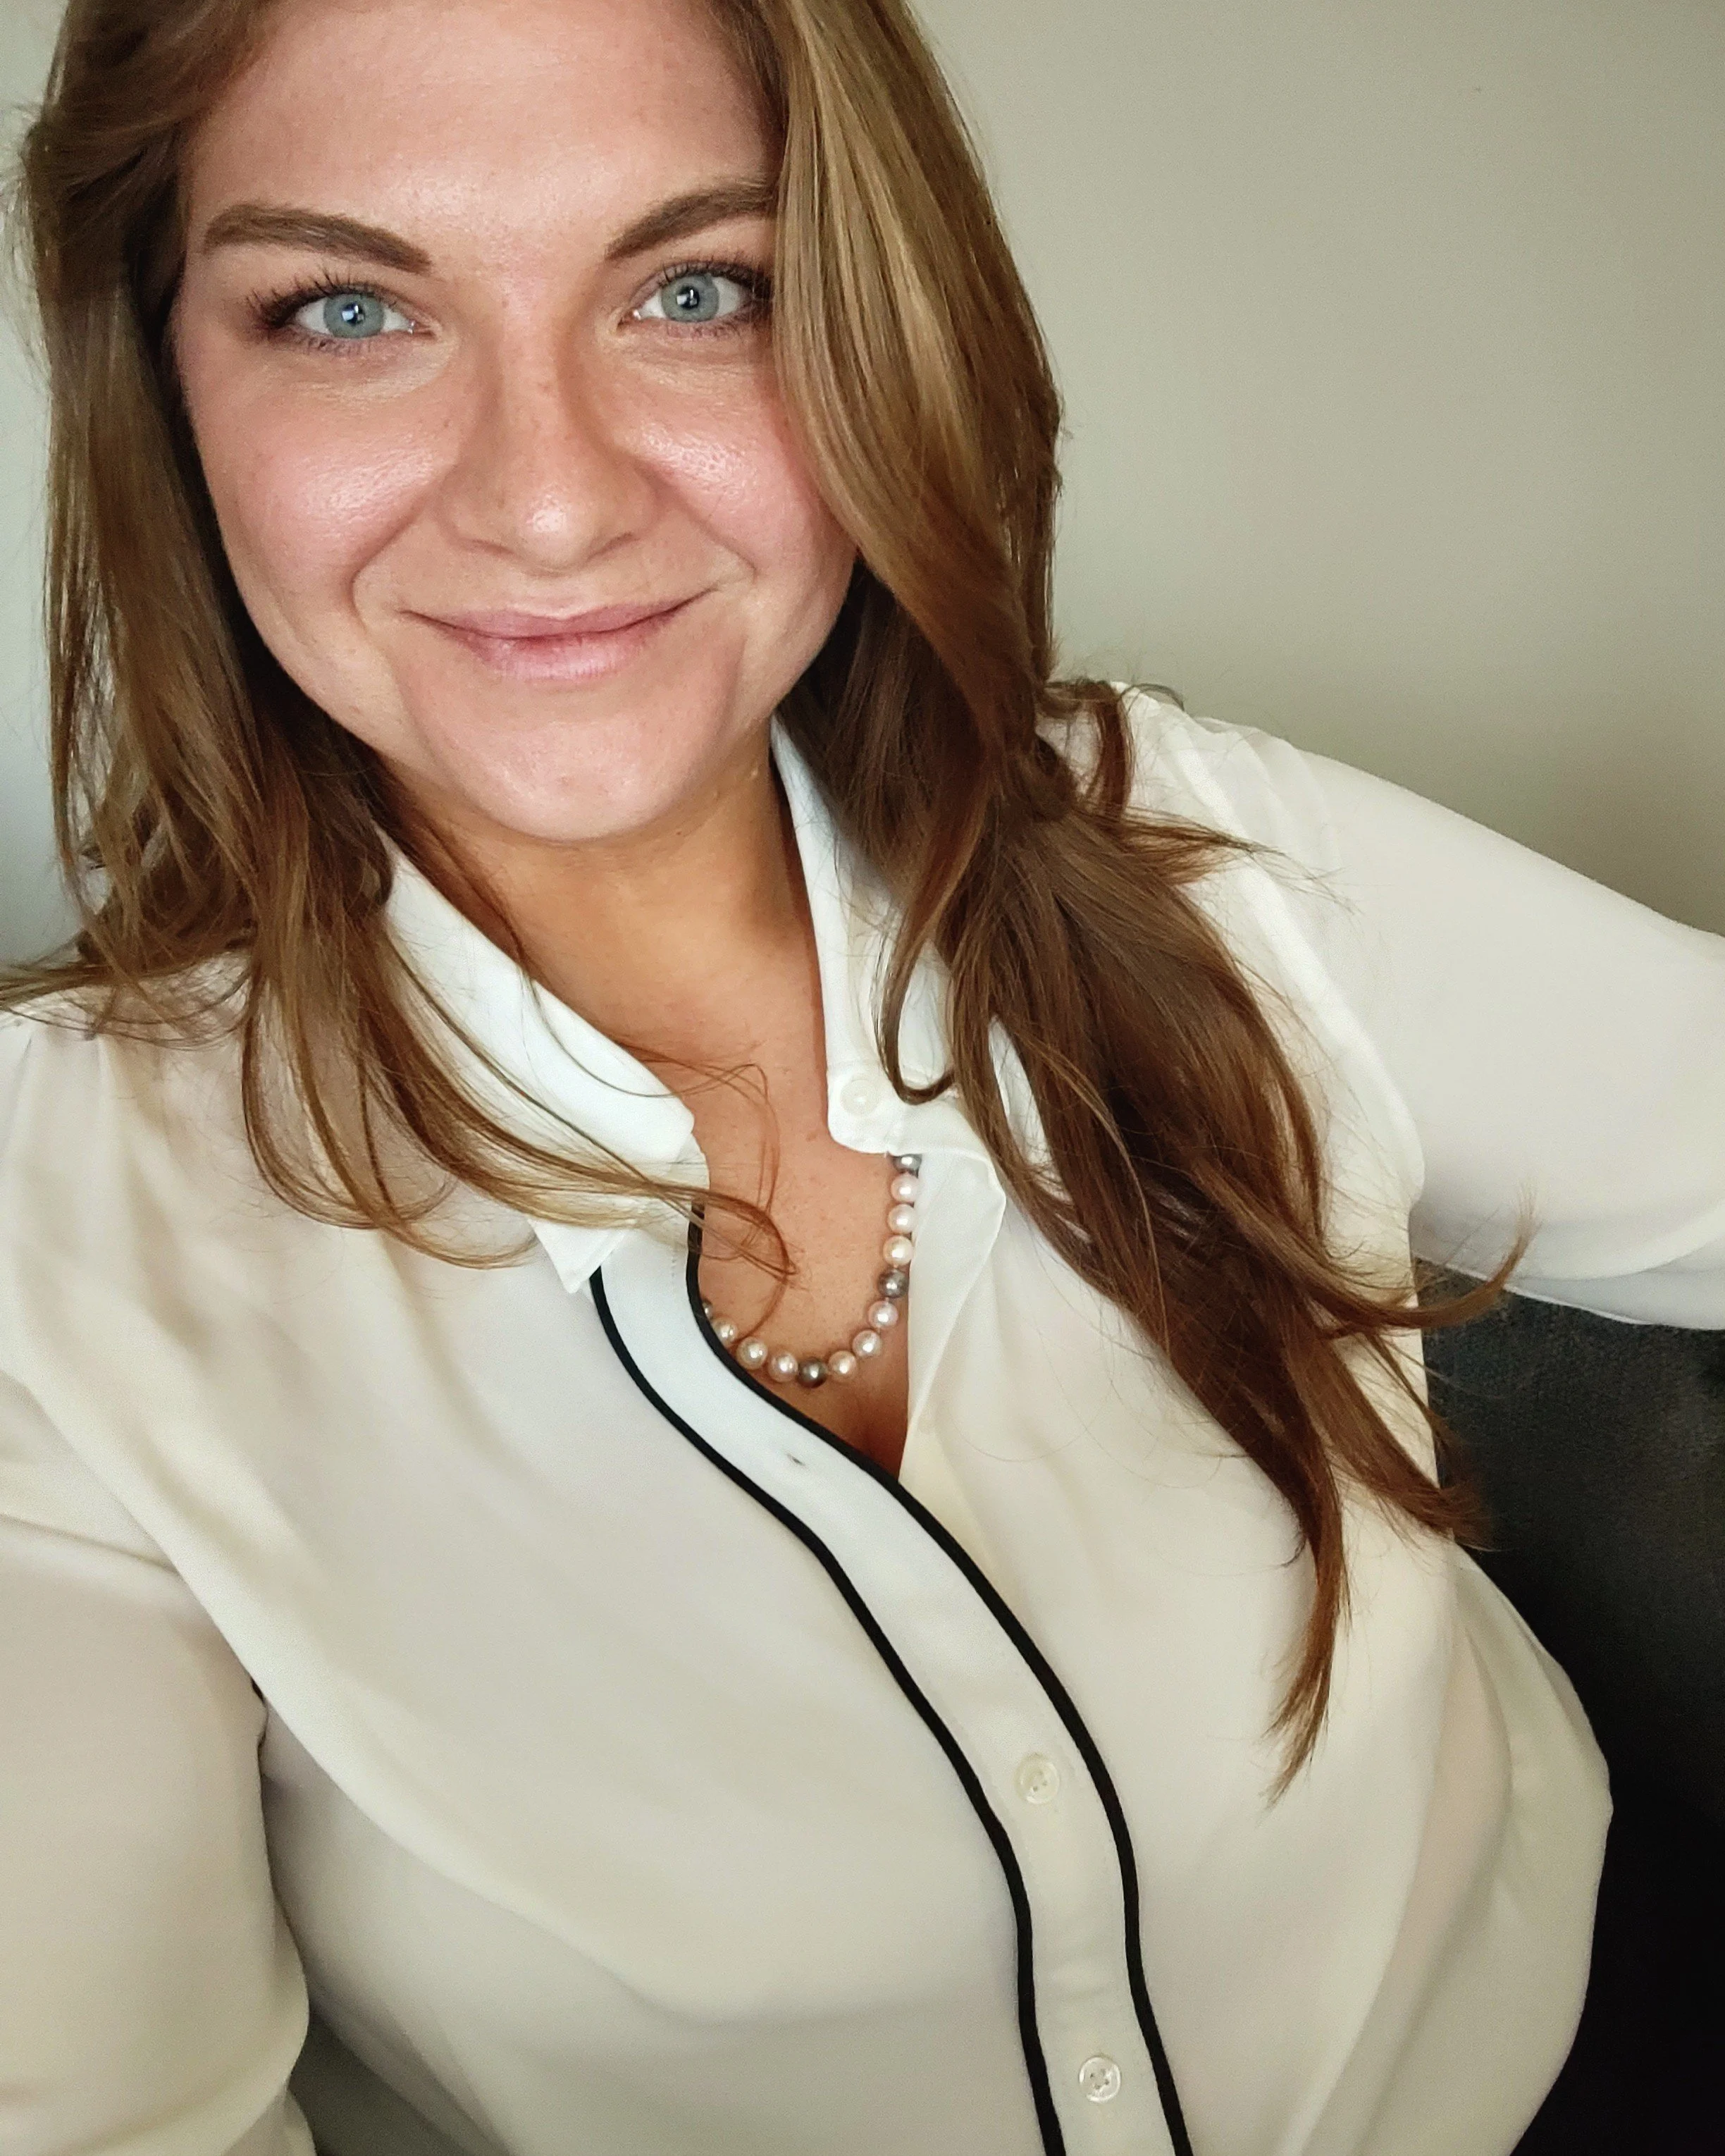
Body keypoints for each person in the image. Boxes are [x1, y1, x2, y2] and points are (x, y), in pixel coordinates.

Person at [1, 0, 1719, 2151]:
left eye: (699, 290)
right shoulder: (46, 1227)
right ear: (165, 384)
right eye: (348, 311)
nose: (551, 497)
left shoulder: (1201, 859)